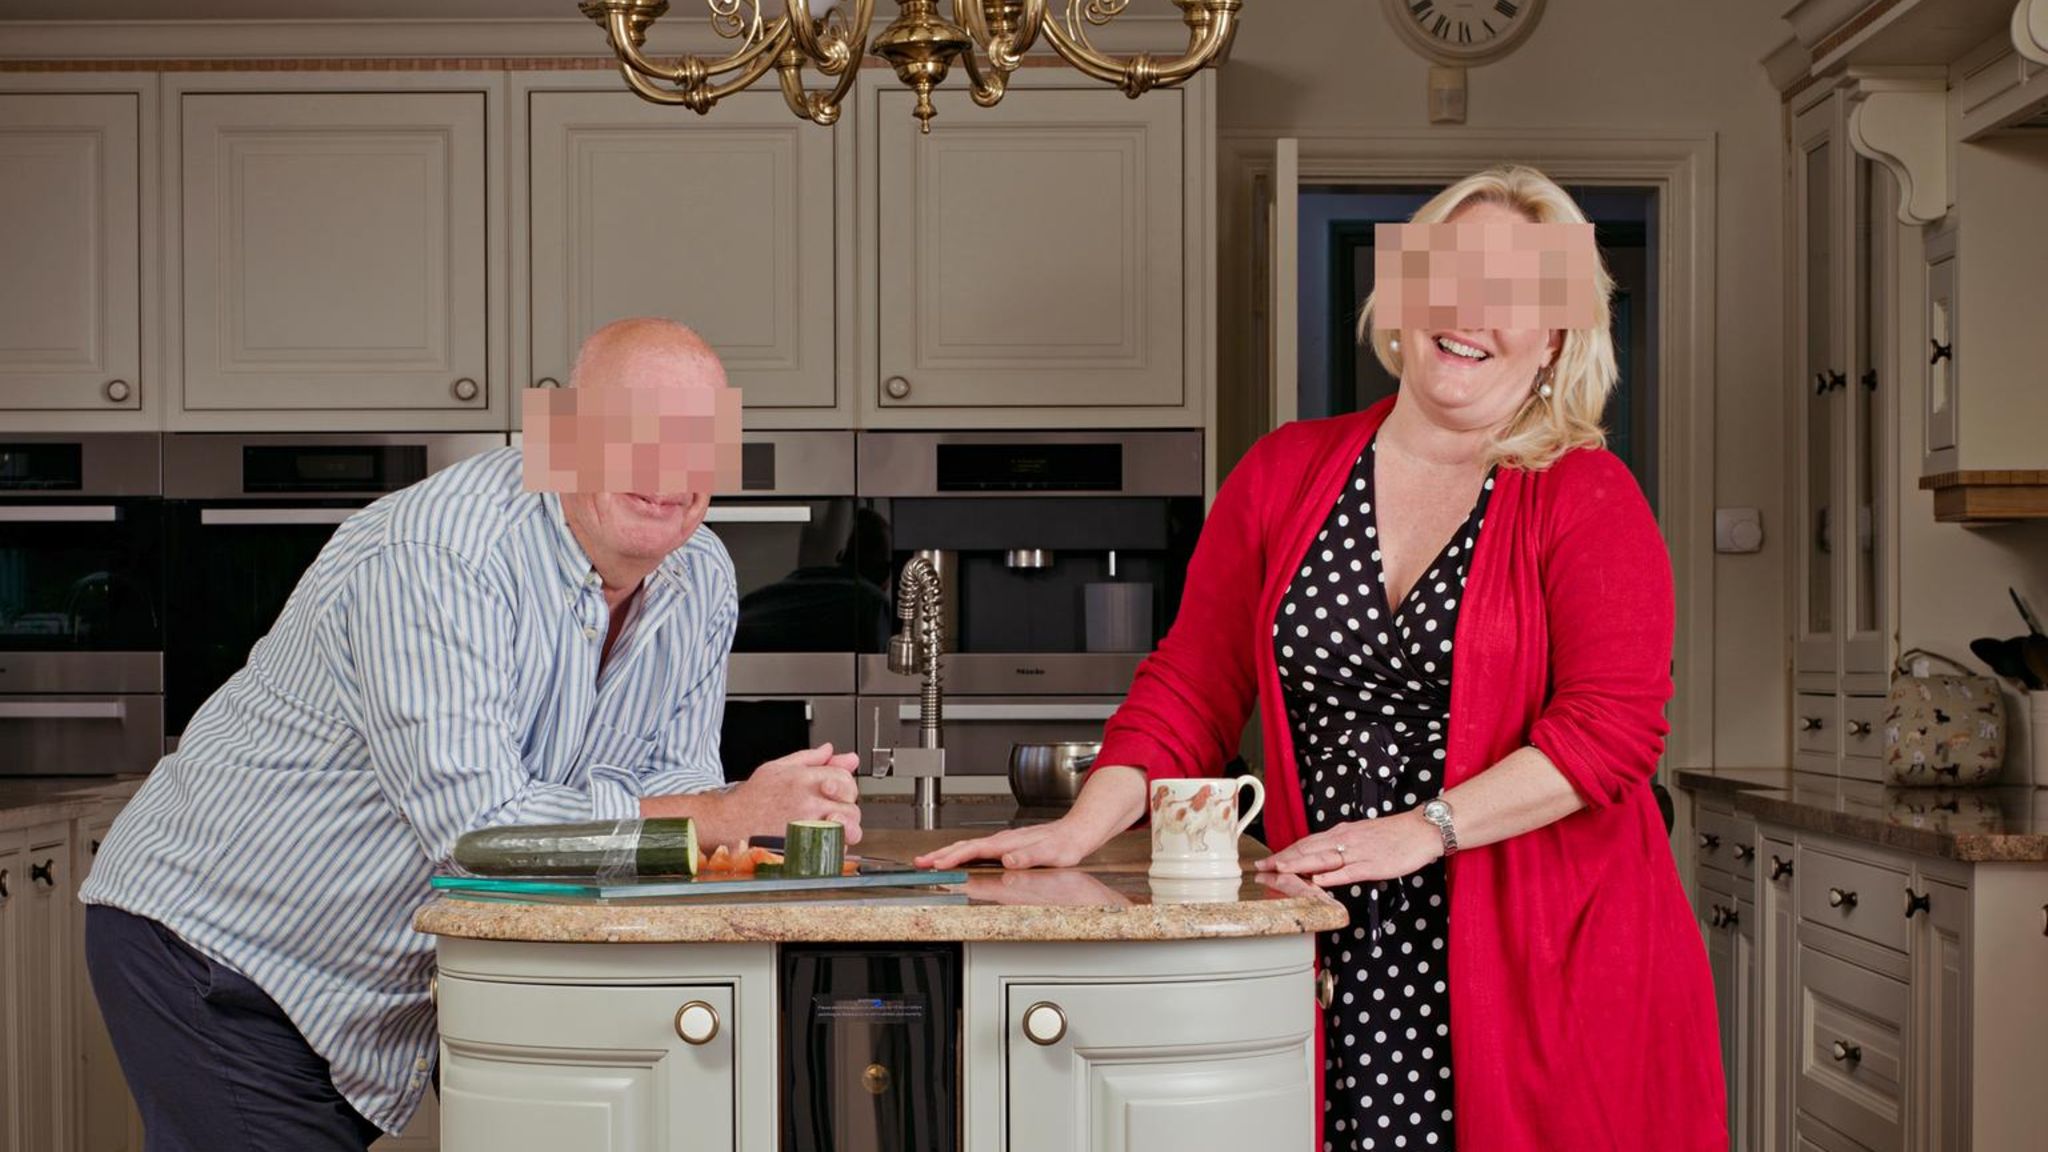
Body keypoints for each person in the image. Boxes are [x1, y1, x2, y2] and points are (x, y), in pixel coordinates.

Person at [919, 167, 1725, 1151]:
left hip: (1545, 949)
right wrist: (1078, 829)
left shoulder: (1585, 497)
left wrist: (1422, 830)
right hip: (1337, 934)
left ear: (1555, 332)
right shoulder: (1286, 470)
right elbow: (1192, 682)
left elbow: (1609, 736)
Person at [80, 318, 864, 1151]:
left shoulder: (700, 575)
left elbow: (670, 816)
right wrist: (726, 815)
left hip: (380, 977)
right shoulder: (440, 555)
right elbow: (479, 835)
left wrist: (761, 835)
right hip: (226, 948)